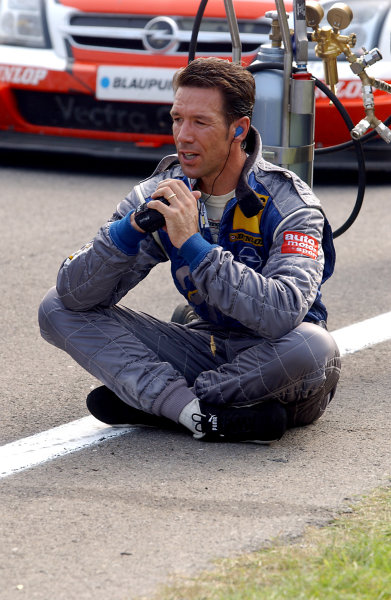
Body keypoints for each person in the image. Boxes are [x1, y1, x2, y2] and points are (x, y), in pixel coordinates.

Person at [38, 57, 341, 444]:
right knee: (55, 307)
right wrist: (126, 232)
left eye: (200, 122)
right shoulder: (157, 193)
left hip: (275, 361)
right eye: (177, 119)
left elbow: (281, 315)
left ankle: (161, 403)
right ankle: (197, 415)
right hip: (204, 345)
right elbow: (75, 294)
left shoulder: (291, 205)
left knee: (314, 345)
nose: (183, 135)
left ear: (239, 129)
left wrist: (194, 246)